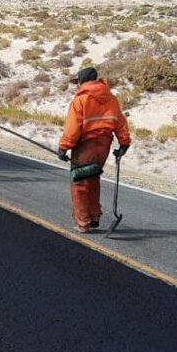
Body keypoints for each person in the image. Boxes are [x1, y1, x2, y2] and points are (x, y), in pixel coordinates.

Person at [55, 67, 131, 233]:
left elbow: (73, 129)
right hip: (104, 145)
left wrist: (63, 147)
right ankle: (94, 216)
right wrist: (124, 143)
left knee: (80, 183)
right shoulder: (111, 98)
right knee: (93, 178)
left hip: (85, 146)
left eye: (78, 82)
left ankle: (83, 222)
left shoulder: (80, 100)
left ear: (82, 81)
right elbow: (120, 122)